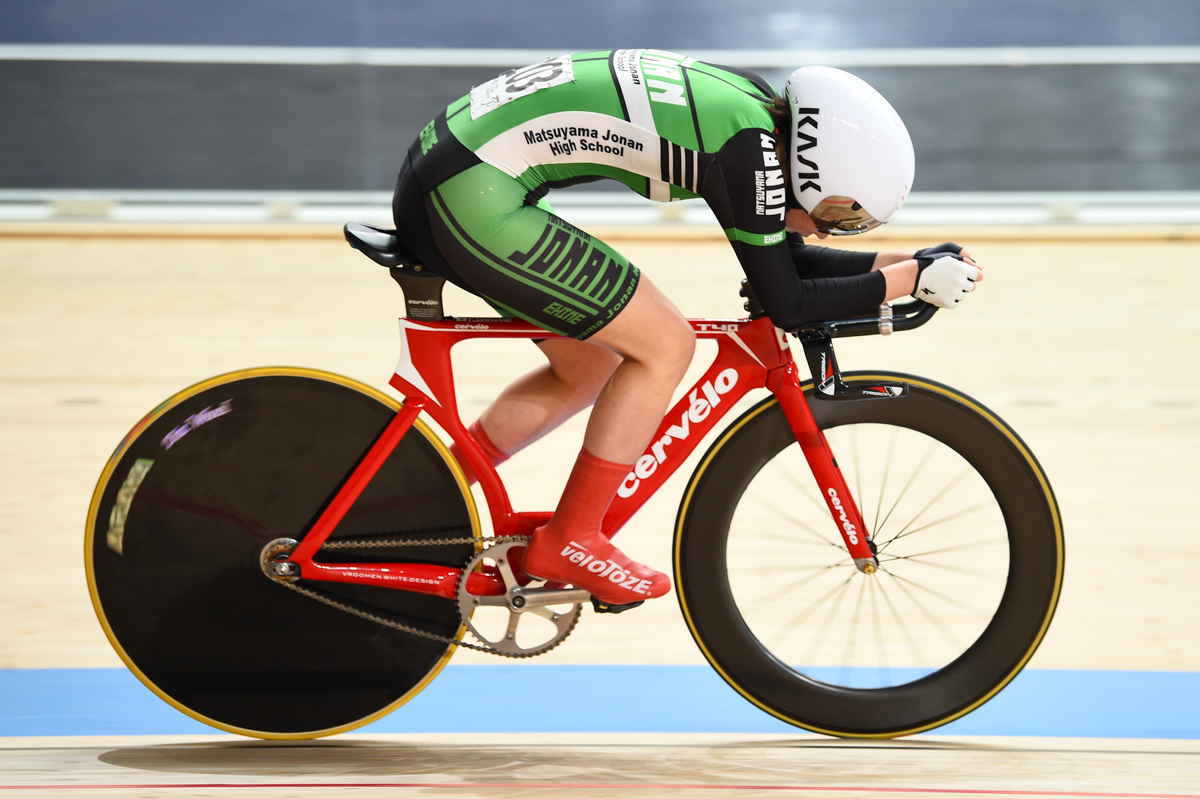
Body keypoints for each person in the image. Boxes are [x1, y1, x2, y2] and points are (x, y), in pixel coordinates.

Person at [391, 50, 981, 609]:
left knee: (593, 360)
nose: (829, 233)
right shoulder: (748, 155)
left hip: (454, 178)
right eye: (836, 213)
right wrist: (909, 278)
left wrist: (909, 265)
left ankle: (421, 503)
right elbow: (790, 301)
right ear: (810, 167)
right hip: (468, 195)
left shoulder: (755, 115)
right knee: (665, 344)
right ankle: (571, 537)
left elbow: (788, 265)